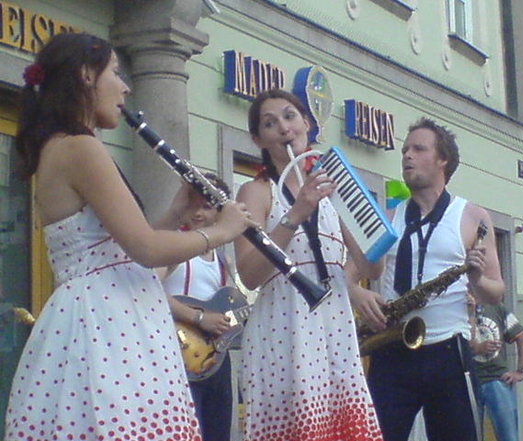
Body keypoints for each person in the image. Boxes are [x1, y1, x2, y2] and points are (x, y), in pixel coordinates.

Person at [4, 32, 255, 441]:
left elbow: (124, 255)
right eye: (116, 74)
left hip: (104, 317)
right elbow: (146, 250)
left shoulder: (63, 147)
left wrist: (177, 212)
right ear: (86, 75)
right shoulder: (80, 148)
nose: (125, 86)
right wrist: (220, 231)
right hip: (107, 326)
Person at [234, 89, 385, 441]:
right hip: (284, 327)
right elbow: (250, 274)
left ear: (307, 122)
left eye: (290, 116)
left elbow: (372, 269)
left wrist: (363, 223)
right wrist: (296, 213)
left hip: (334, 326)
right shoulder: (255, 192)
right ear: (258, 139)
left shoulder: (332, 186)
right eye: (270, 124)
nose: (284, 128)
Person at [349, 117, 504, 441]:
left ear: (442, 159)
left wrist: (475, 279)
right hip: (392, 348)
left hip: (448, 351)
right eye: (405, 150)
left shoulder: (472, 216)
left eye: (419, 149)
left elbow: (496, 292)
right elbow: (350, 275)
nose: (407, 156)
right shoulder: (389, 216)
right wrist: (358, 295)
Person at [160, 174, 238, 441]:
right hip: (177, 353)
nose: (197, 213)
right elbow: (149, 292)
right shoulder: (173, 246)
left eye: (207, 206)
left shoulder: (223, 259)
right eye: (193, 204)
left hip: (214, 359)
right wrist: (198, 317)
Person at [470, 300, 523, 441]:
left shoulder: (496, 307)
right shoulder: (459, 308)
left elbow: (522, 338)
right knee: (469, 434)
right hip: (469, 380)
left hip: (498, 378)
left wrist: (520, 371)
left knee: (508, 435)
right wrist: (479, 348)